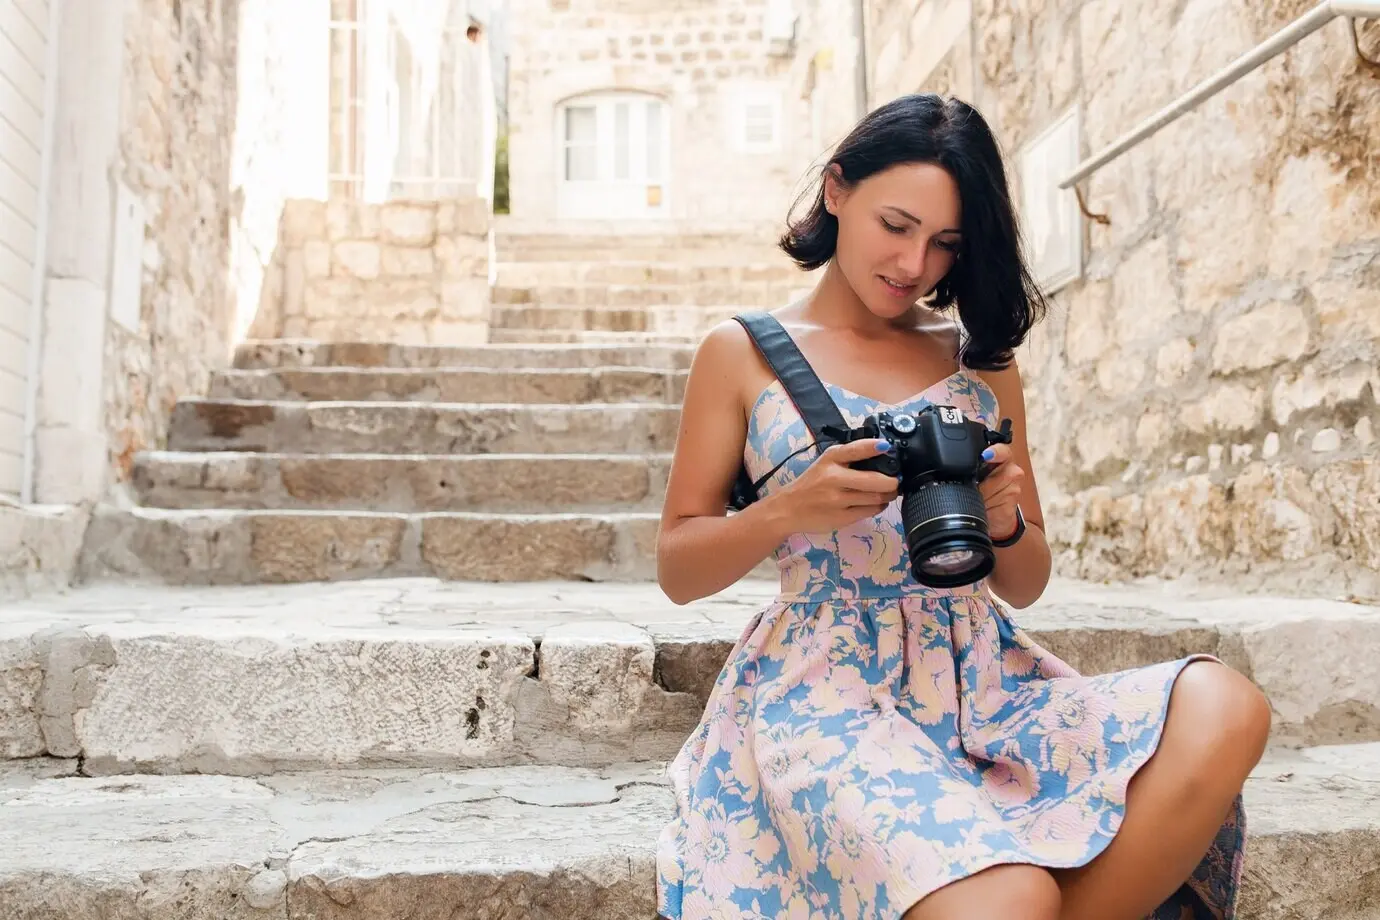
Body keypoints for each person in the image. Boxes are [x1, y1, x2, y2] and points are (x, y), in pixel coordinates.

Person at [653, 94, 1271, 920]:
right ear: (837, 190)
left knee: (1226, 705)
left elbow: (1025, 581)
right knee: (1009, 897)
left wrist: (1006, 515)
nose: (915, 265)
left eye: (946, 243)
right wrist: (787, 511)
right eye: (896, 225)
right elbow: (677, 567)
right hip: (825, 689)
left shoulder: (980, 358)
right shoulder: (739, 353)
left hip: (981, 675)